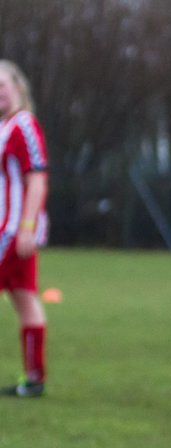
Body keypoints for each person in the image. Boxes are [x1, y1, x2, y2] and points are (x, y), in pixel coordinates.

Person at [0, 60, 48, 398]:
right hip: (8, 229)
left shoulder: (24, 126)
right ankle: (33, 379)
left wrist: (28, 227)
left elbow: (37, 179)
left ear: (18, 87)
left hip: (12, 229)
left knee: (25, 299)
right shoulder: (4, 128)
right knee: (24, 299)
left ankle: (34, 378)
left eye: (2, 84)